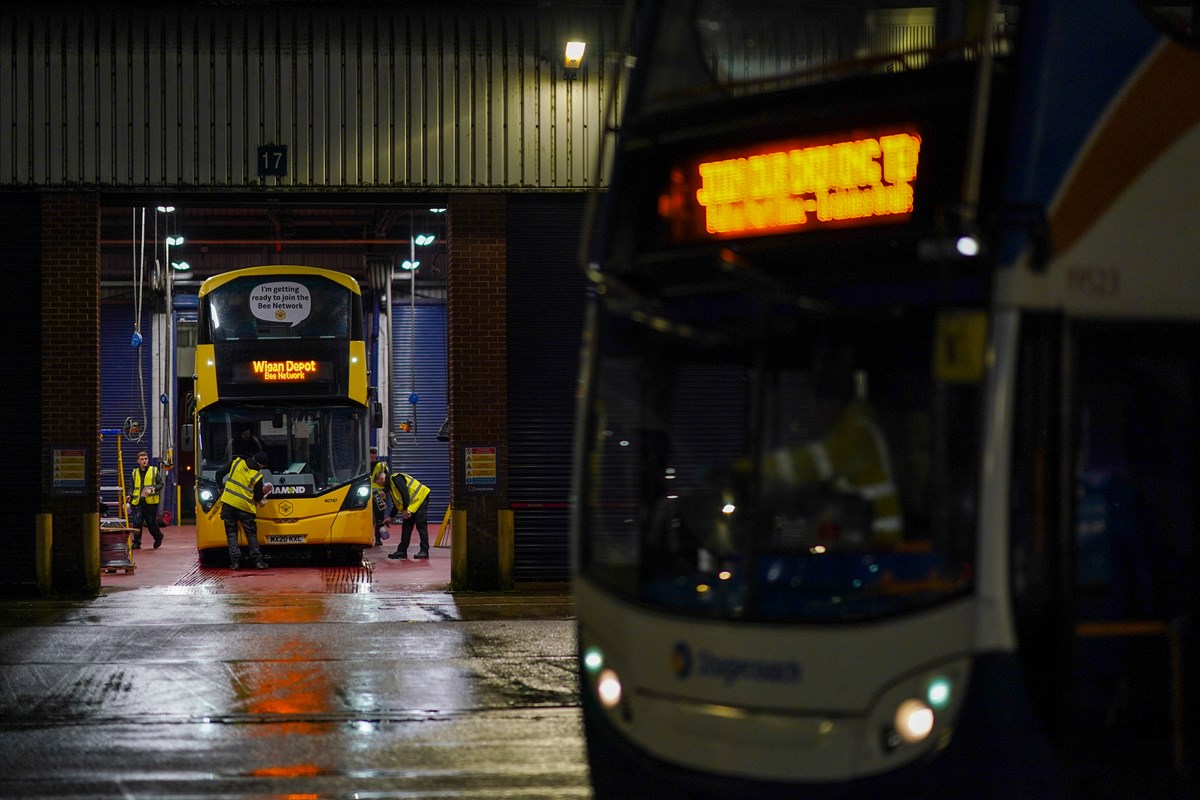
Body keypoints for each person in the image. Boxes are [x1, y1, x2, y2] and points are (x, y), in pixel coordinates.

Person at [215, 450, 272, 570]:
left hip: (228, 504)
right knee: (251, 534)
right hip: (245, 508)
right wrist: (264, 492)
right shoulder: (256, 476)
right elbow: (257, 497)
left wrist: (220, 487)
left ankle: (235, 563)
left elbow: (219, 473)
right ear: (261, 465)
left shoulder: (236, 462)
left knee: (231, 534)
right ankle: (258, 562)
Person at [384, 471, 432, 560]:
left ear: (382, 478)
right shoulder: (391, 487)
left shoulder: (395, 478)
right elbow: (397, 504)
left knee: (421, 525)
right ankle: (402, 551)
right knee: (406, 526)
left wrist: (406, 509)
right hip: (412, 504)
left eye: (379, 483)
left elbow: (405, 493)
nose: (381, 486)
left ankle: (424, 551)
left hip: (420, 498)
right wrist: (390, 517)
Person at [128, 451, 165, 549]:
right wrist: (129, 495)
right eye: (142, 459)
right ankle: (136, 542)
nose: (144, 461)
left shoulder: (153, 470)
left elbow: (161, 484)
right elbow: (131, 486)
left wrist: (154, 488)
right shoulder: (134, 472)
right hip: (138, 502)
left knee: (151, 523)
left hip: (150, 502)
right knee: (137, 522)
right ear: (138, 461)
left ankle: (158, 536)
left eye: (146, 459)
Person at [370, 446, 390, 546]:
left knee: (379, 518)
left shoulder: (381, 465)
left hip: (378, 496)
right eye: (370, 453)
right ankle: (367, 538)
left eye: (374, 453)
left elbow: (387, 479)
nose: (372, 455)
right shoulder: (363, 465)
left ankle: (378, 539)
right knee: (365, 518)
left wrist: (385, 491)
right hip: (367, 495)